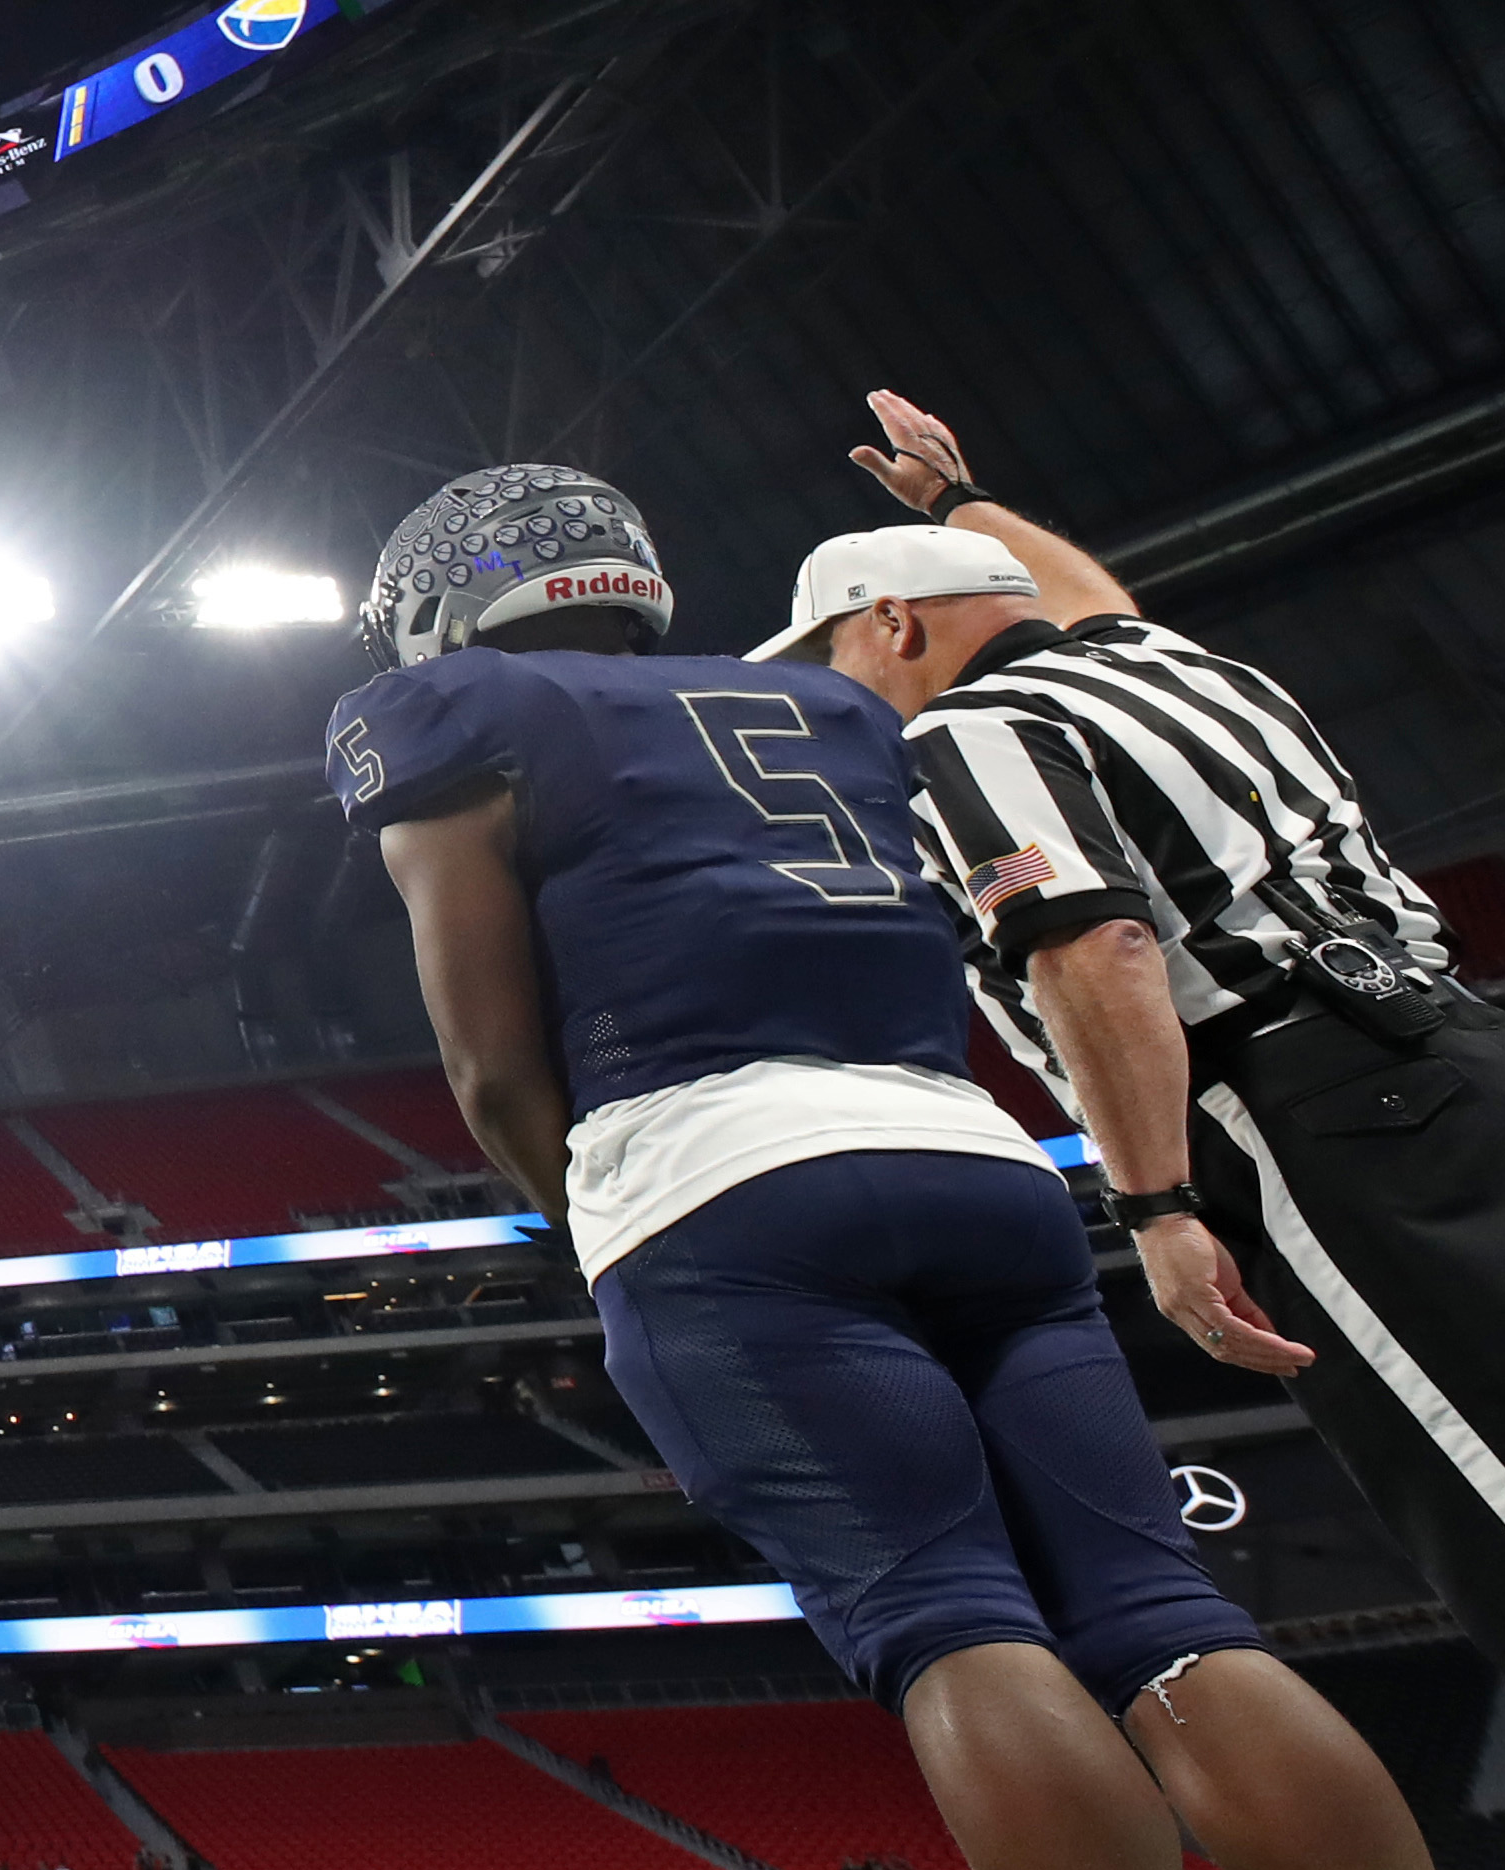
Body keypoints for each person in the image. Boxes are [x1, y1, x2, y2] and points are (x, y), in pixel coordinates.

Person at [341, 460, 1424, 1868]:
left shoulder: (455, 712)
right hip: (979, 1161)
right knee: (1163, 1614)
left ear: (441, 604)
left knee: (943, 1610)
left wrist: (600, 1217)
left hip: (715, 1176)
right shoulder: (842, 703)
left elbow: (490, 1064)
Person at [799, 387, 1505, 1693]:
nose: (837, 690)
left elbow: (1096, 943)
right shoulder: (1170, 664)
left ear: (896, 621)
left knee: (1503, 1490)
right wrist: (959, 502)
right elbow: (1085, 598)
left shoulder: (959, 732)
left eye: (834, 654)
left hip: (1314, 1115)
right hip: (1477, 1051)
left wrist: (1154, 1202)